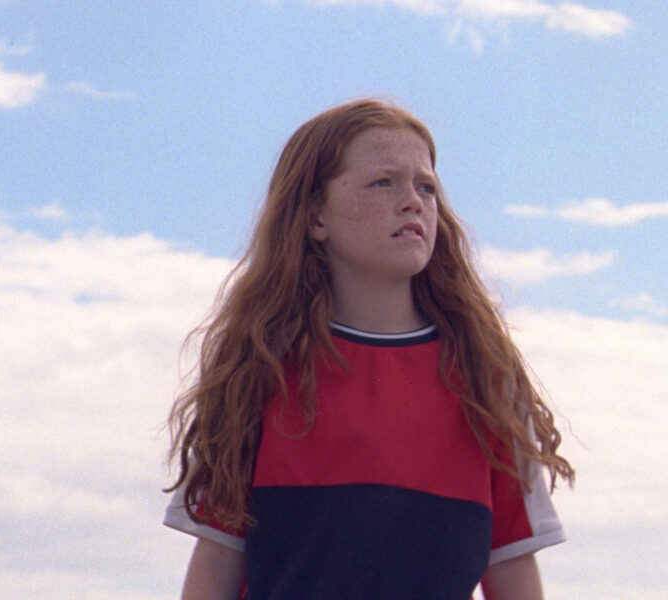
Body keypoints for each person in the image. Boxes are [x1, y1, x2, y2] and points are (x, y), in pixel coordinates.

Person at [163, 98, 574, 600]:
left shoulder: (487, 382)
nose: (413, 201)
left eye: (426, 186)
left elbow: (512, 569)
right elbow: (217, 561)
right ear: (316, 216)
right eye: (384, 182)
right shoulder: (259, 369)